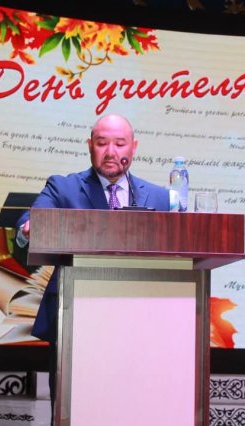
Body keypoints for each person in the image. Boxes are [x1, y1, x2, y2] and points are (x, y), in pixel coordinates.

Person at [15, 113, 170, 409]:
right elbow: (30, 221)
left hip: (141, 324)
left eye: (120, 144)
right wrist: (28, 228)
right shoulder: (63, 188)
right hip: (75, 318)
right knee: (74, 409)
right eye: (102, 143)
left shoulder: (159, 198)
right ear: (90, 146)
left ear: (134, 147)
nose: (110, 152)